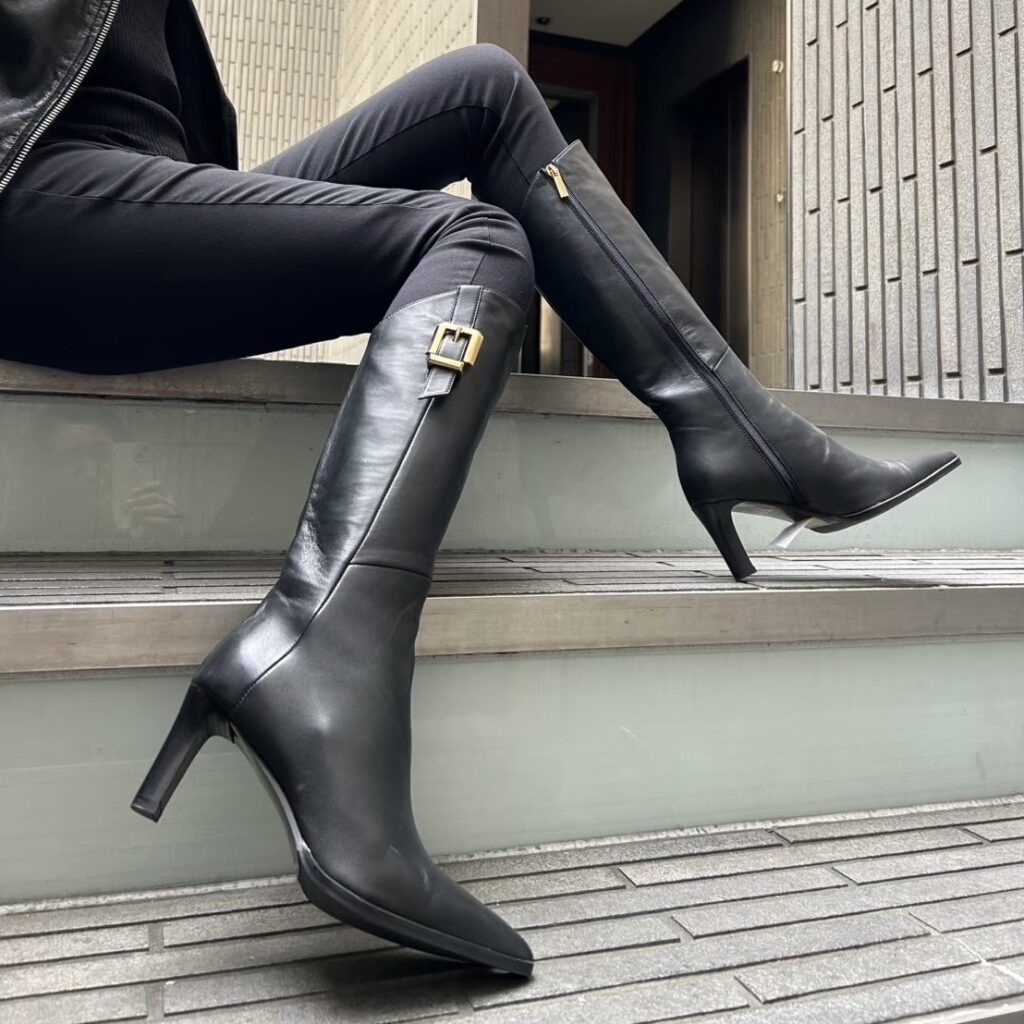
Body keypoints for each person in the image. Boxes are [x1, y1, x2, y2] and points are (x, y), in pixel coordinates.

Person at [0, 0, 959, 978]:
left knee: (486, 86)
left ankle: (736, 429)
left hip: (148, 189)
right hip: (36, 203)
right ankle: (315, 652)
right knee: (477, 241)